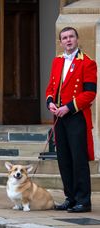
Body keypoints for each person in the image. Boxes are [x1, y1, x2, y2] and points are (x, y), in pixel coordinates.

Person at [46, 26, 97, 213]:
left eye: (71, 37)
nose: (68, 40)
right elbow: (51, 87)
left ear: (77, 39)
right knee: (64, 159)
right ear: (60, 41)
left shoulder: (88, 63)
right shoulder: (57, 61)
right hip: (59, 117)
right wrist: (50, 102)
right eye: (64, 38)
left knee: (78, 159)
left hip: (76, 117)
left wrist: (68, 107)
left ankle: (83, 200)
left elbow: (90, 93)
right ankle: (70, 197)